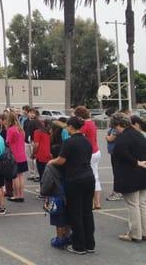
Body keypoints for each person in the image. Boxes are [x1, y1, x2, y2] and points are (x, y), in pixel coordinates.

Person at [47, 116, 95, 255]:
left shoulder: (69, 142)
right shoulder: (86, 141)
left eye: (68, 126)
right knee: (87, 211)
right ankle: (89, 243)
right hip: (88, 177)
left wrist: (51, 162)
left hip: (75, 179)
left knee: (75, 212)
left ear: (72, 127)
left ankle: (78, 245)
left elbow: (61, 160)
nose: (67, 128)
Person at [109, 113, 146, 242]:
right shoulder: (139, 135)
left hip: (130, 175)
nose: (115, 130)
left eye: (115, 127)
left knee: (133, 205)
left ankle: (135, 234)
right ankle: (144, 232)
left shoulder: (123, 138)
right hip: (143, 174)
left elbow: (122, 154)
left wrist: (135, 162)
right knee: (142, 204)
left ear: (119, 125)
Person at [74, 106, 102, 209]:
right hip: (96, 151)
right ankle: (97, 202)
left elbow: (77, 136)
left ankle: (90, 202)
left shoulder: (85, 124)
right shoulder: (92, 123)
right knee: (95, 176)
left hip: (88, 153)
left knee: (88, 177)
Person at [4, 111, 27, 202]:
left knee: (15, 177)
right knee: (21, 176)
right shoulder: (21, 129)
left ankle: (17, 195)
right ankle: (21, 195)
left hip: (15, 156)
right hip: (22, 155)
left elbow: (7, 142)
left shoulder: (11, 129)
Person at [33, 120, 52, 194]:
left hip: (41, 154)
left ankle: (43, 191)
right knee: (48, 173)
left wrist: (33, 153)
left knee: (42, 174)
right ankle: (48, 190)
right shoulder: (49, 132)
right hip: (49, 154)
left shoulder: (37, 132)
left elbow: (36, 145)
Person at [106, 125, 124, 202]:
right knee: (118, 172)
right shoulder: (116, 128)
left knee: (117, 172)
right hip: (115, 152)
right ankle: (121, 191)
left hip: (116, 152)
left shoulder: (115, 129)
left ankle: (117, 192)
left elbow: (110, 139)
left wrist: (106, 136)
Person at [24, 108, 42, 182]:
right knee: (29, 159)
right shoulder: (25, 121)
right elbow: (25, 131)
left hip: (34, 141)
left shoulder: (38, 122)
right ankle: (31, 174)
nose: (32, 114)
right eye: (30, 113)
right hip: (27, 141)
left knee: (35, 158)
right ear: (28, 114)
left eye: (33, 113)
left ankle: (37, 175)